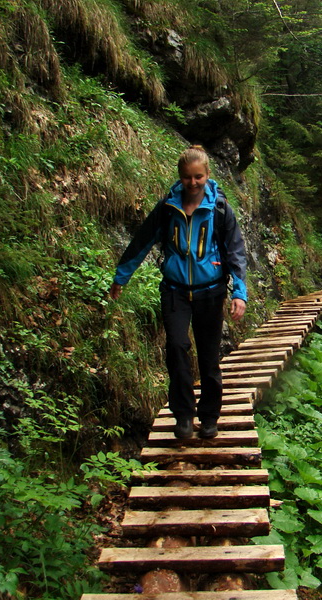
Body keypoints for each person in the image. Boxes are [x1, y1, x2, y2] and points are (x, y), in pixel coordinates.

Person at [108, 145, 247, 441]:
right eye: (187, 178)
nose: (193, 183)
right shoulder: (167, 208)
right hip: (175, 291)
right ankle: (183, 415)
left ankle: (209, 417)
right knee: (176, 348)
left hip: (211, 292)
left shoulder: (220, 209)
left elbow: (235, 252)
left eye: (198, 177)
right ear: (180, 177)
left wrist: (240, 292)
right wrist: (121, 277)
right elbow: (142, 241)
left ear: (208, 175)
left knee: (209, 358)